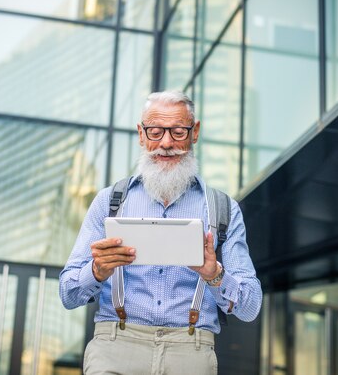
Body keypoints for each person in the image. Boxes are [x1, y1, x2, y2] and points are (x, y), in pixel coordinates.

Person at [59, 90, 262, 375]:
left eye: (178, 132)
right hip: (116, 347)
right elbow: (68, 294)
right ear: (141, 135)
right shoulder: (109, 202)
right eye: (155, 132)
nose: (166, 143)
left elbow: (250, 306)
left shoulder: (222, 209)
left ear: (195, 132)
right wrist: (96, 270)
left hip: (190, 353)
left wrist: (214, 274)